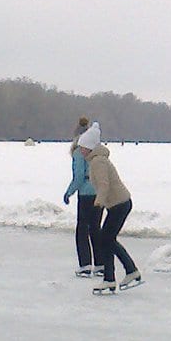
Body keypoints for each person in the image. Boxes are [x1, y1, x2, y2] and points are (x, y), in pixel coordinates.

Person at [82, 135, 141, 294]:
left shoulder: (97, 161)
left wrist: (98, 203)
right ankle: (112, 278)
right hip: (118, 204)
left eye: (82, 147)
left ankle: (129, 271)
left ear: (88, 148)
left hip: (119, 204)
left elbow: (104, 184)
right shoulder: (96, 160)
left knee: (106, 239)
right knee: (106, 240)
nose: (80, 150)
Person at [64, 117, 101, 276]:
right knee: (96, 229)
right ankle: (101, 264)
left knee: (82, 229)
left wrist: (69, 192)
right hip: (99, 193)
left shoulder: (80, 152)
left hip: (86, 194)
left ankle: (85, 264)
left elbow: (78, 176)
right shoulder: (98, 151)